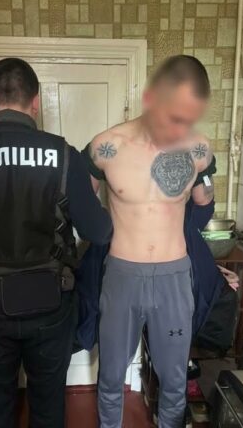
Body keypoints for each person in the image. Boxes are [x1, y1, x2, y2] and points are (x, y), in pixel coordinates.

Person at [0, 57, 112, 427]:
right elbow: (99, 231)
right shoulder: (63, 156)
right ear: (36, 102)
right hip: (51, 303)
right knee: (48, 406)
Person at [83, 55, 215, 428]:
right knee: (111, 374)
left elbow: (204, 203)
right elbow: (83, 209)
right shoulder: (105, 146)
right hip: (122, 275)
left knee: (174, 378)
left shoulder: (199, 149)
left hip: (174, 276)